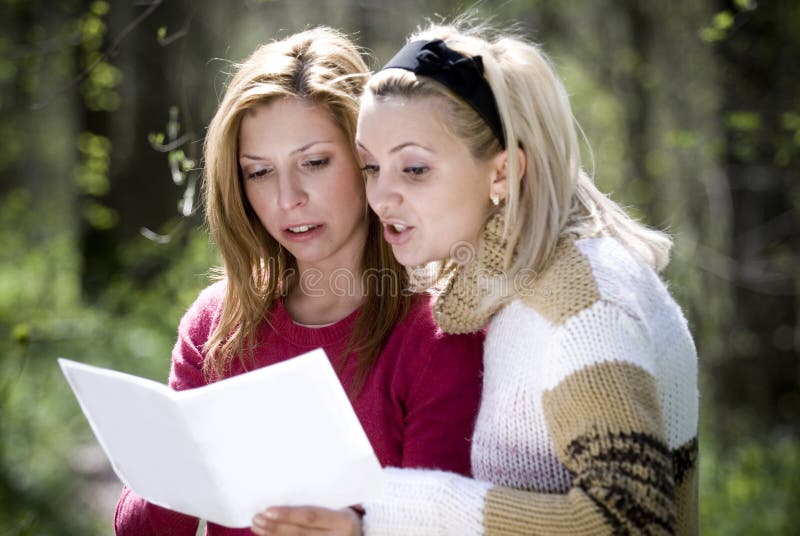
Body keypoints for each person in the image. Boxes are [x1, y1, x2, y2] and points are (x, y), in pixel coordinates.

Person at [253, 21, 698, 536]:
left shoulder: (582, 308)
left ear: (503, 173)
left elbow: (634, 524)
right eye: (372, 168)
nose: (380, 198)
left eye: (414, 169)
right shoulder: (512, 287)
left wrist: (400, 515)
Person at [114, 27, 485, 536]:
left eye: (313, 163)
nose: (288, 198)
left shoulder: (438, 333)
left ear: (367, 159)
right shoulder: (216, 323)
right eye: (259, 172)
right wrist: (169, 462)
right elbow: (144, 530)